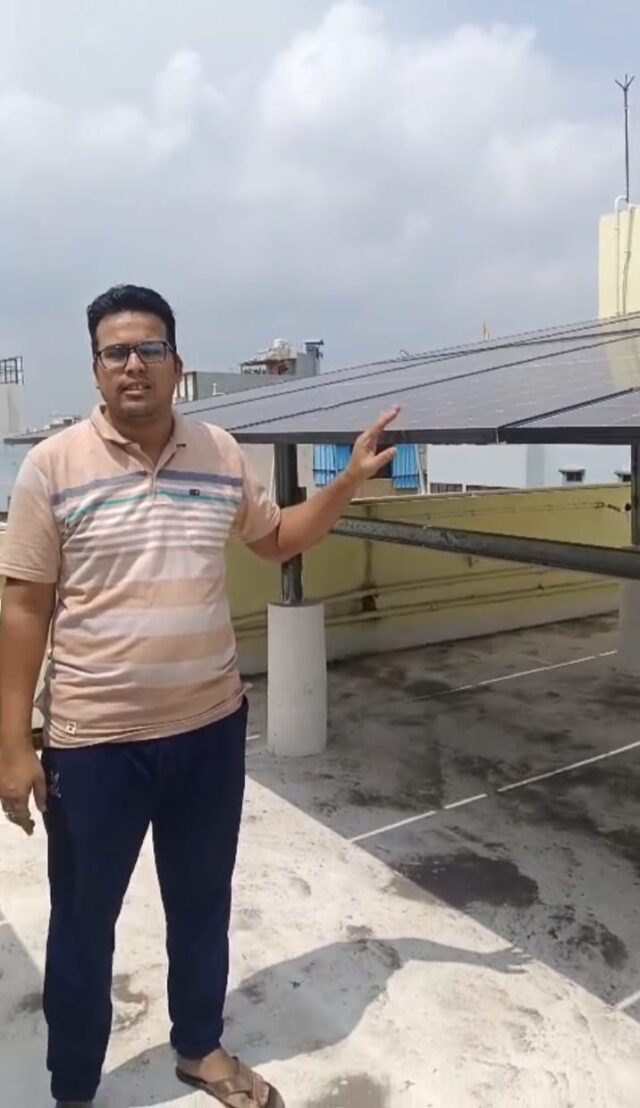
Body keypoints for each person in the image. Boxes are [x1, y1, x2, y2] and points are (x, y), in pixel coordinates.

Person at [0, 285, 399, 1108]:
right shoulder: (52, 467)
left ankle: (199, 1048)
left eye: (149, 349)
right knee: (83, 924)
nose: (134, 365)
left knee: (200, 905)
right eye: (116, 352)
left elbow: (276, 537)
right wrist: (12, 742)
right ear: (96, 369)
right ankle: (74, 1087)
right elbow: (24, 606)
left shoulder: (219, 453)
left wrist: (349, 481)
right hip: (93, 744)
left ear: (176, 364)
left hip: (209, 733)